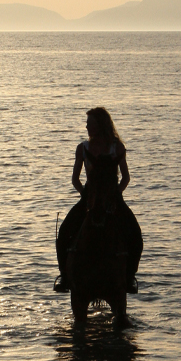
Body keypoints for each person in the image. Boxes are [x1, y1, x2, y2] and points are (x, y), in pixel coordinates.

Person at [54, 107, 142, 294]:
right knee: (64, 232)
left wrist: (116, 195)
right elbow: (75, 179)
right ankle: (64, 276)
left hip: (113, 198)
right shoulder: (83, 148)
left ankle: (129, 277)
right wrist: (84, 195)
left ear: (100, 125)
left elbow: (125, 177)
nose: (86, 127)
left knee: (135, 234)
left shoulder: (117, 147)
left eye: (90, 123)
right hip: (89, 197)